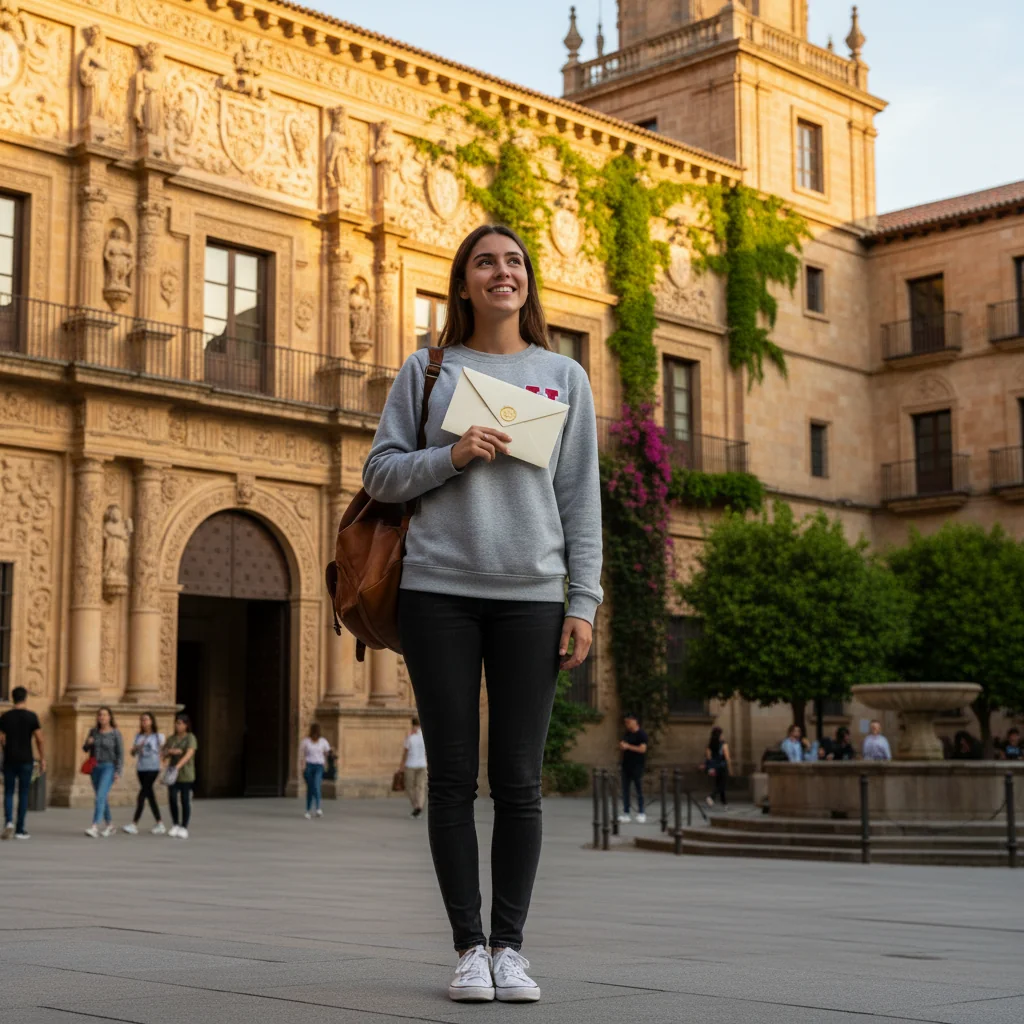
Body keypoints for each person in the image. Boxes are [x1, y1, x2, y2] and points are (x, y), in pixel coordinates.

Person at [363, 224, 602, 1004]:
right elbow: (381, 474)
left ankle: (512, 948)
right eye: (486, 262)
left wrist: (584, 601)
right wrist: (452, 455)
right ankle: (469, 948)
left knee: (521, 782)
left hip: (531, 597)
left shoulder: (563, 376)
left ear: (528, 283)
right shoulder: (427, 370)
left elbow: (579, 498)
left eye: (515, 263)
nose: (504, 272)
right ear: (463, 282)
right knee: (454, 779)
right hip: (438, 592)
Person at [0, 686, 46, 840]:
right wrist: (42, 758)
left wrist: (5, 748)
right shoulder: (31, 717)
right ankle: (20, 829)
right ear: (25, 698)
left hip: (9, 759)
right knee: (24, 793)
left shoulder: (5, 717)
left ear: (13, 698)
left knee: (8, 792)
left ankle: (8, 823)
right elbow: (39, 739)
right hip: (26, 759)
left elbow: (1, 737)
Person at [121, 713, 165, 835]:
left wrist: (163, 762)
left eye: (146, 719)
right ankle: (159, 823)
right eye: (142, 720)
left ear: (152, 721)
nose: (144, 722)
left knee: (142, 795)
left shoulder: (158, 736)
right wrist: (136, 748)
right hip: (141, 768)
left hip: (153, 767)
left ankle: (134, 824)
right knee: (150, 795)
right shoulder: (138, 736)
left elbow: (163, 752)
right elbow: (132, 753)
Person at [83, 707, 123, 838]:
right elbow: (85, 748)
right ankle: (110, 826)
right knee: (102, 797)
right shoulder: (93, 732)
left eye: (105, 715)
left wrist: (118, 771)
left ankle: (95, 826)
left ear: (110, 717)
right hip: (95, 767)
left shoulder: (115, 733)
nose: (102, 717)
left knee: (100, 795)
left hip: (109, 766)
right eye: (100, 715)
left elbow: (120, 754)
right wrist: (88, 743)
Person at [163, 713, 198, 839]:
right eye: (176, 723)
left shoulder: (190, 737)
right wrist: (169, 752)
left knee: (184, 800)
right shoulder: (172, 739)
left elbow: (189, 753)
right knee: (172, 798)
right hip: (173, 774)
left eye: (179, 723)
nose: (176, 725)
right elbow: (164, 752)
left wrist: (177, 766)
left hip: (185, 773)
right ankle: (175, 824)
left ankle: (184, 826)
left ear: (186, 725)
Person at [618, 714, 648, 824]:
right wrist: (622, 745)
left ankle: (641, 812)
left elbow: (642, 749)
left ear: (635, 722)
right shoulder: (627, 734)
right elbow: (622, 744)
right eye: (626, 722)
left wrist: (628, 747)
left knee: (638, 789)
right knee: (625, 790)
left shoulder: (642, 735)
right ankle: (626, 812)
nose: (627, 724)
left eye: (629, 722)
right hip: (626, 765)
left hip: (637, 765)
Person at [300, 722, 331, 819]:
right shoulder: (306, 741)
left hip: (319, 766)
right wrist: (302, 766)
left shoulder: (323, 741)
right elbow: (302, 755)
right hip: (309, 766)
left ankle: (318, 808)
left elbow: (327, 753)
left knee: (317, 786)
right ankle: (308, 810)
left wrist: (326, 763)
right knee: (310, 788)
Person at [399, 717, 427, 819]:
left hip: (410, 765)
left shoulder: (410, 737)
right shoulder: (425, 736)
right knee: (421, 787)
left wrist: (401, 767)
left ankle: (416, 806)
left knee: (409, 787)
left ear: (412, 724)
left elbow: (405, 753)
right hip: (422, 765)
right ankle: (419, 806)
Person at [703, 726, 731, 808]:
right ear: (720, 735)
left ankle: (724, 802)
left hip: (715, 767)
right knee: (722, 784)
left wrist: (710, 766)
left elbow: (708, 757)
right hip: (722, 766)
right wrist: (730, 768)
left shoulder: (710, 745)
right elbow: (727, 757)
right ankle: (711, 797)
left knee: (719, 783)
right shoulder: (723, 744)